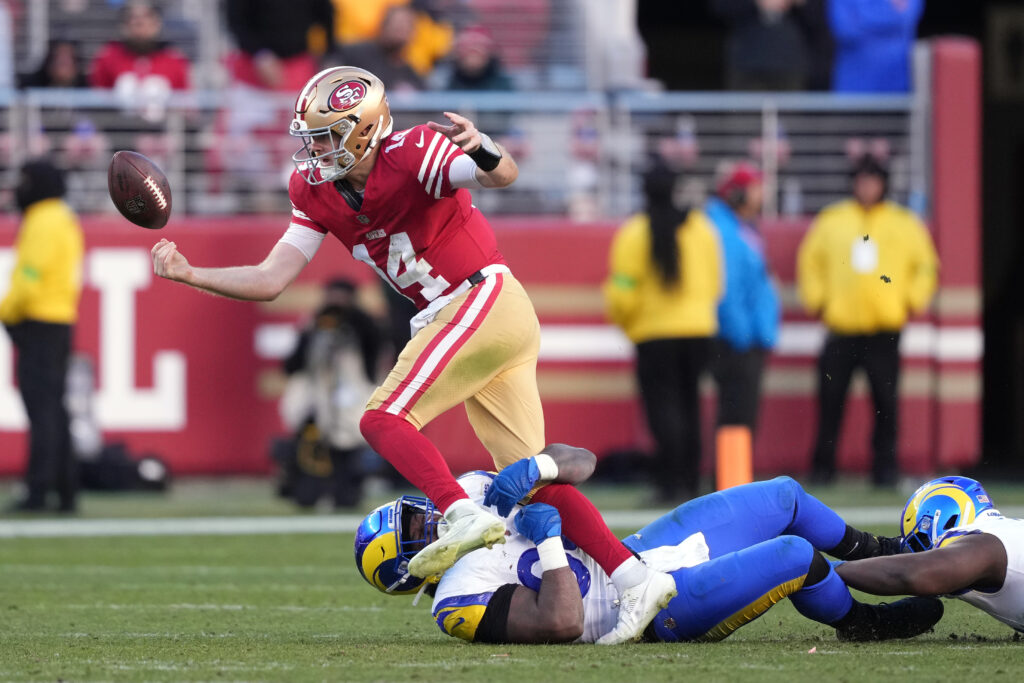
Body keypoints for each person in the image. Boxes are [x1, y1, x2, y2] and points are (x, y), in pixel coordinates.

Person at [149, 66, 675, 644]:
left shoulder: (414, 151)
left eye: (326, 136)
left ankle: (460, 512)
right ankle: (635, 578)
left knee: (382, 417)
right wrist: (191, 273)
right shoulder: (314, 190)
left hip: (478, 297)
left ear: (364, 130)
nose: (315, 149)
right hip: (476, 312)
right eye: (312, 136)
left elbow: (500, 176)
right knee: (531, 485)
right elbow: (273, 277)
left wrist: (485, 148)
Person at [354, 445, 943, 644]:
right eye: (413, 533)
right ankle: (861, 622)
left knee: (785, 497)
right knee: (794, 555)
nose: (428, 520)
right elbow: (559, 622)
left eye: (412, 514)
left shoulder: (469, 496)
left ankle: (886, 552)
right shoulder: (456, 600)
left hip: (640, 549)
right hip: (647, 610)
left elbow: (581, 462)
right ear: (410, 569)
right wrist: (552, 546)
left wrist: (535, 465)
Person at [797, 154, 938, 486]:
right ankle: (823, 468)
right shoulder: (832, 220)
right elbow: (810, 263)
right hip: (842, 327)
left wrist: (910, 301)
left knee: (886, 405)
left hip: (884, 329)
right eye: (861, 180)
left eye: (873, 180)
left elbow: (927, 266)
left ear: (884, 184)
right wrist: (819, 301)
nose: (867, 187)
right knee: (831, 401)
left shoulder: (903, 222)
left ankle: (885, 470)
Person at [604, 162, 721, 502]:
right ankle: (691, 482)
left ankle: (670, 484)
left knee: (663, 410)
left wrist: (629, 324)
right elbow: (716, 282)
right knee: (691, 406)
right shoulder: (701, 227)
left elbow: (622, 289)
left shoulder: (634, 232)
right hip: (699, 330)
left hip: (654, 333)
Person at [836, 476, 1024, 634]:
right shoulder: (1000, 534)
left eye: (921, 541)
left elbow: (911, 573)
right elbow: (891, 551)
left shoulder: (984, 544)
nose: (920, 552)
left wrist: (827, 569)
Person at [0, 160, 84, 513]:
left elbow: (28, 280)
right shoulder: (64, 218)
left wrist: (6, 312)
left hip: (38, 323)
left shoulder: (41, 220)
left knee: (43, 411)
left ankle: (39, 491)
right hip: (61, 321)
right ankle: (65, 490)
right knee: (56, 410)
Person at [279, 278, 381, 508]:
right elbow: (292, 365)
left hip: (350, 400)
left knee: (348, 449)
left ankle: (346, 493)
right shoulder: (314, 325)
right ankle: (305, 491)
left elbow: (373, 353)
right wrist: (315, 331)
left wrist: (352, 320)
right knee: (309, 450)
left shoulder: (364, 325)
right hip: (317, 401)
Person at [703, 163, 779, 441]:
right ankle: (732, 480)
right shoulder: (725, 231)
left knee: (742, 416)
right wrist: (743, 335)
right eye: (754, 189)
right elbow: (728, 288)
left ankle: (735, 479)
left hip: (747, 337)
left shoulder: (740, 228)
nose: (760, 196)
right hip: (738, 341)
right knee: (737, 416)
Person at [712, 0, 826, 91]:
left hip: (791, 64)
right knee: (745, 119)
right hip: (747, 63)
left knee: (790, 118)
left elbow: (821, 19)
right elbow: (720, 7)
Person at [225, 0, 334, 93]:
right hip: (251, 74)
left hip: (298, 68)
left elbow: (326, 15)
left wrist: (329, 55)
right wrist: (260, 54)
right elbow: (236, 21)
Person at [827, 0, 924, 93]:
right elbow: (846, 30)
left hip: (899, 85)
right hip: (854, 87)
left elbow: (906, 18)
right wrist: (891, 14)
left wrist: (862, 17)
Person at [326, 5, 424, 91]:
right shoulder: (356, 53)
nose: (400, 30)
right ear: (384, 26)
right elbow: (328, 74)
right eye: (396, 25)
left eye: (406, 26)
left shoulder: (410, 73)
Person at [431, 25, 514, 91]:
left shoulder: (504, 85)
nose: (473, 56)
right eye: (467, 48)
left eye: (479, 47)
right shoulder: (443, 83)